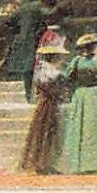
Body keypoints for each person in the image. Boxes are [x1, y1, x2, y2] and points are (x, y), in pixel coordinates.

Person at [59, 33, 97, 175]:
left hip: (80, 93)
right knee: (91, 128)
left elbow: (68, 77)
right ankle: (90, 163)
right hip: (92, 94)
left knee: (81, 126)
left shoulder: (76, 61)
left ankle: (80, 163)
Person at [19, 44, 65, 174]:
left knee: (43, 132)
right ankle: (42, 163)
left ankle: (44, 162)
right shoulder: (51, 72)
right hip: (48, 104)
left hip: (45, 104)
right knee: (46, 133)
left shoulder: (41, 70)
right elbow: (51, 88)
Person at [4, 0, 48, 103]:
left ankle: (29, 95)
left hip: (24, 41)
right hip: (38, 40)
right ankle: (40, 94)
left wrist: (17, 32)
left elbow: (8, 22)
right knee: (40, 67)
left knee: (27, 69)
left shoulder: (21, 9)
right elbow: (47, 21)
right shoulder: (40, 6)